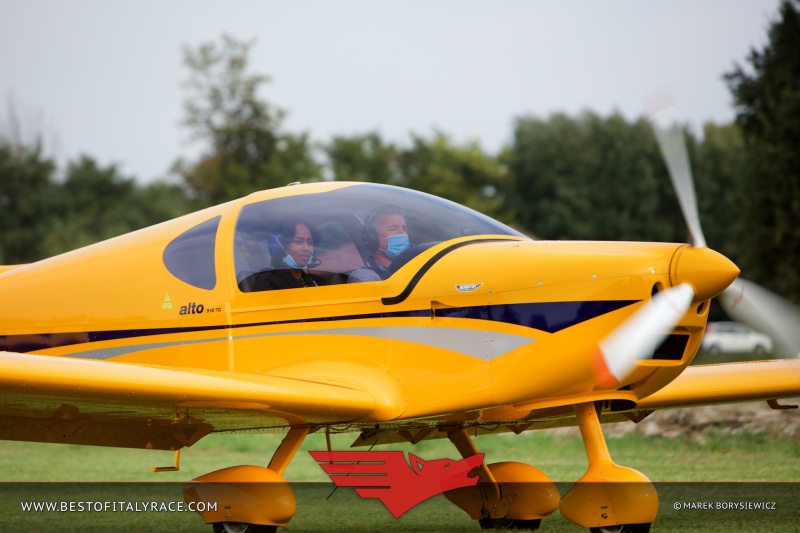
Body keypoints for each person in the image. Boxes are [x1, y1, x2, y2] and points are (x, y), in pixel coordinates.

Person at [247, 217, 324, 291]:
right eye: (298, 242)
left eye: (310, 243)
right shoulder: (267, 282)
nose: (306, 248)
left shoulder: (317, 281)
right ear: (279, 246)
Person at [348, 204, 410, 283]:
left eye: (404, 229)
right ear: (372, 237)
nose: (402, 234)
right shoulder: (364, 276)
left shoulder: (414, 266)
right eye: (393, 228)